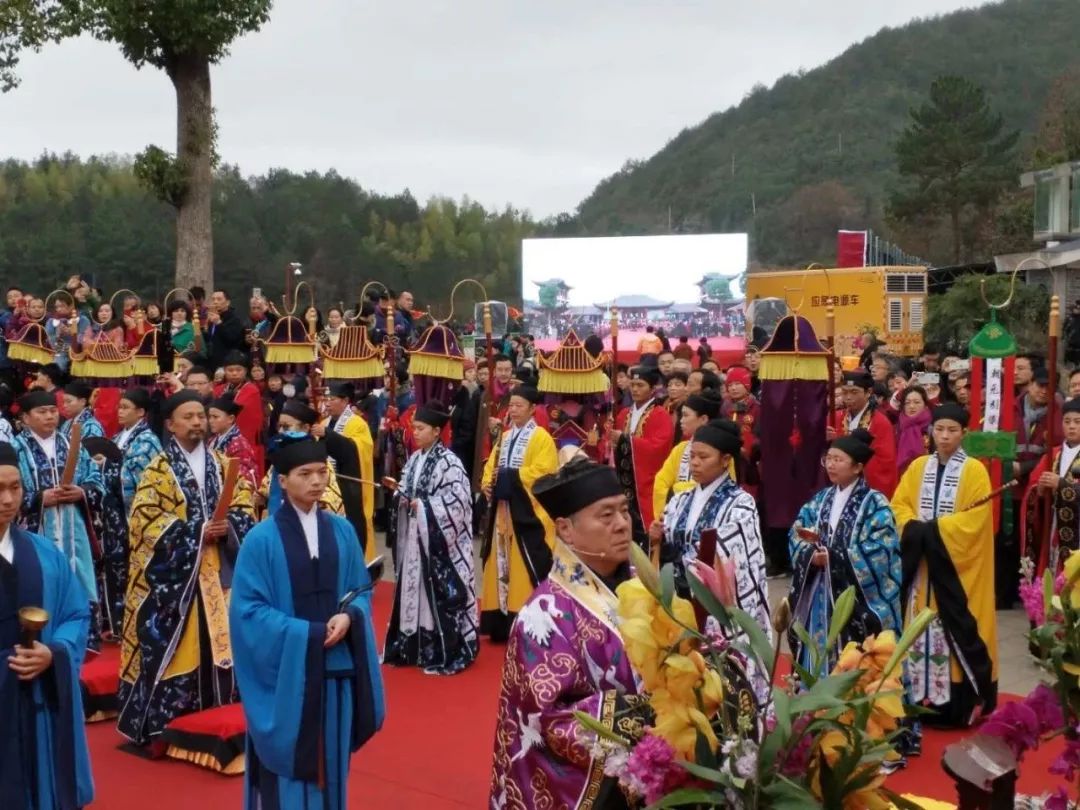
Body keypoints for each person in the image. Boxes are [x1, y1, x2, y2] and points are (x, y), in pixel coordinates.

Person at [230, 439, 384, 810]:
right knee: (288, 770)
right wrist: (307, 634)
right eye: (305, 474)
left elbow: (360, 590)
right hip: (287, 676)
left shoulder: (342, 530)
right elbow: (248, 611)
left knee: (331, 767)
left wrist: (350, 615)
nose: (316, 481)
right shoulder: (261, 538)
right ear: (282, 481)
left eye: (321, 472)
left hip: (336, 672)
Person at [489, 459, 640, 809]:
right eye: (606, 515)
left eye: (624, 511)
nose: (622, 525)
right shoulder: (543, 616)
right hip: (591, 789)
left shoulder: (644, 589)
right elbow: (545, 719)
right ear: (565, 529)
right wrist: (640, 719)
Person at [117, 390, 257, 747]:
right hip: (177, 577)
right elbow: (145, 521)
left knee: (225, 639)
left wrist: (231, 526)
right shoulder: (158, 471)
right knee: (180, 643)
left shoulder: (224, 464)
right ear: (169, 424)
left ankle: (222, 708)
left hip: (219, 571)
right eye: (188, 417)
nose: (197, 423)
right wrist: (196, 531)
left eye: (201, 416)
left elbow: (244, 504)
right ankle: (170, 722)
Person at [0, 442, 95, 809]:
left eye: (15, 488)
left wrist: (52, 653)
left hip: (35, 691)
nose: (8, 499)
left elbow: (74, 613)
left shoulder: (42, 551)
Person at [891, 403, 997, 727]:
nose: (945, 436)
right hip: (922, 569)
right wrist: (916, 530)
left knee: (950, 628)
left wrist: (933, 532)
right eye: (940, 430)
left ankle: (956, 704)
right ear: (930, 432)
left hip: (956, 571)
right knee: (918, 629)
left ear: (964, 433)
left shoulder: (975, 471)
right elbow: (899, 505)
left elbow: (975, 522)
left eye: (952, 430)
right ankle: (915, 698)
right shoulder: (917, 467)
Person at [653, 419, 772, 705]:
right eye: (692, 456)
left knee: (722, 681)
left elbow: (736, 555)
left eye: (703, 457)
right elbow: (665, 544)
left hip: (716, 607)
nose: (695, 463)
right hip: (680, 603)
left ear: (726, 460)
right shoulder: (680, 500)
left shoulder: (741, 503)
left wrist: (692, 559)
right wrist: (656, 539)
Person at [789, 429, 901, 678]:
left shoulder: (875, 503)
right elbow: (796, 533)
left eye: (838, 459)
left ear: (858, 467)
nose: (830, 464)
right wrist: (810, 555)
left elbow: (881, 550)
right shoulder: (820, 500)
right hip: (820, 590)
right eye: (828, 458)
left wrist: (836, 557)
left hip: (855, 596)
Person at [384, 400, 478, 675]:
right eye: (414, 427)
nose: (415, 432)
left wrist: (424, 506)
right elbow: (405, 488)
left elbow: (458, 504)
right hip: (415, 538)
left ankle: (441, 647)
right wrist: (400, 497)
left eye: (421, 428)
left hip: (437, 543)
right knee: (413, 588)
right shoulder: (414, 460)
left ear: (437, 431)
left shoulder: (451, 463)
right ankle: (412, 646)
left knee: (435, 592)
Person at [13, 390, 104, 650]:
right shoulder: (17, 448)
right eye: (42, 412)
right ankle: (37, 637)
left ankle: (81, 640)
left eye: (53, 411)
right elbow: (8, 492)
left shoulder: (70, 443)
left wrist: (82, 491)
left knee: (77, 578)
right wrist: (40, 498)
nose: (50, 417)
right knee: (40, 579)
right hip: (35, 529)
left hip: (73, 527)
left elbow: (96, 480)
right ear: (26, 418)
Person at [479, 385, 558, 642]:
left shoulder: (542, 438)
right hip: (502, 512)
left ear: (532, 408)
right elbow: (492, 465)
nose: (513, 410)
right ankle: (500, 620)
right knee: (500, 562)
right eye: (510, 405)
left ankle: (524, 620)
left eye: (519, 405)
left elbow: (543, 472)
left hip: (525, 514)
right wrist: (489, 481)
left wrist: (509, 478)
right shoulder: (505, 436)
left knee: (522, 565)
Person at [98, 389, 163, 636]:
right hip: (113, 513)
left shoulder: (147, 440)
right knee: (115, 566)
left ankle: (134, 624)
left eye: (126, 407)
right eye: (120, 406)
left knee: (132, 566)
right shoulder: (118, 437)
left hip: (132, 514)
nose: (120, 411)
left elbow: (143, 477)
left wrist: (108, 466)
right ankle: (117, 622)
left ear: (141, 412)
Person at [613, 365, 675, 550]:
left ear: (653, 389)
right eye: (633, 385)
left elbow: (658, 448)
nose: (635, 389)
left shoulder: (660, 415)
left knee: (645, 532)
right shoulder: (624, 414)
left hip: (646, 482)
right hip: (625, 481)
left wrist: (625, 439)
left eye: (640, 385)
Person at [313, 382, 376, 559]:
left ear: (345, 401)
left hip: (349, 486)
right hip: (327, 487)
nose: (327, 403)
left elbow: (355, 451)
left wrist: (329, 435)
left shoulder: (357, 423)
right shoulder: (324, 422)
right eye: (326, 399)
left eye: (332, 399)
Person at [1021, 397, 1080, 576]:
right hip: (1055, 527)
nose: (1071, 426)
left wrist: (1061, 484)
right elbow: (1032, 488)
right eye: (1067, 421)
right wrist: (1038, 492)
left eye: (1078, 422)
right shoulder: (1052, 455)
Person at [653, 389, 724, 520]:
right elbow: (661, 482)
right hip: (673, 517)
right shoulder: (680, 449)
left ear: (703, 419)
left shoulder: (722, 451)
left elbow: (717, 486)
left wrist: (677, 489)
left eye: (686, 415)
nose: (681, 421)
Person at [828, 369, 898, 497]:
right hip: (837, 485)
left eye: (854, 392)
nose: (848, 397)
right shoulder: (835, 417)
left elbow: (884, 463)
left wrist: (851, 467)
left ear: (868, 392)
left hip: (865, 486)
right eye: (844, 392)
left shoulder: (881, 422)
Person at [215, 350, 265, 474]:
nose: (234, 373)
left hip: (247, 441)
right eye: (230, 370)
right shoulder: (218, 389)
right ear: (224, 371)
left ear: (245, 371)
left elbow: (232, 408)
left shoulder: (251, 390)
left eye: (238, 370)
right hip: (220, 438)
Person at [207, 394, 259, 489]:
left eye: (215, 417)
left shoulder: (239, 445)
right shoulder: (212, 440)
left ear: (230, 419)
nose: (210, 421)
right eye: (209, 417)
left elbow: (244, 478)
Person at [202, 289, 247, 371]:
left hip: (227, 362)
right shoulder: (212, 319)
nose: (215, 302)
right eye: (213, 299)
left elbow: (231, 340)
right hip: (211, 361)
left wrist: (219, 323)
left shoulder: (235, 319)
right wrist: (204, 328)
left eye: (219, 299)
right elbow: (209, 339)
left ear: (227, 302)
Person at [896, 386, 932, 476]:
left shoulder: (933, 428)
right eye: (907, 403)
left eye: (917, 402)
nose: (911, 406)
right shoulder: (897, 429)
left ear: (925, 405)